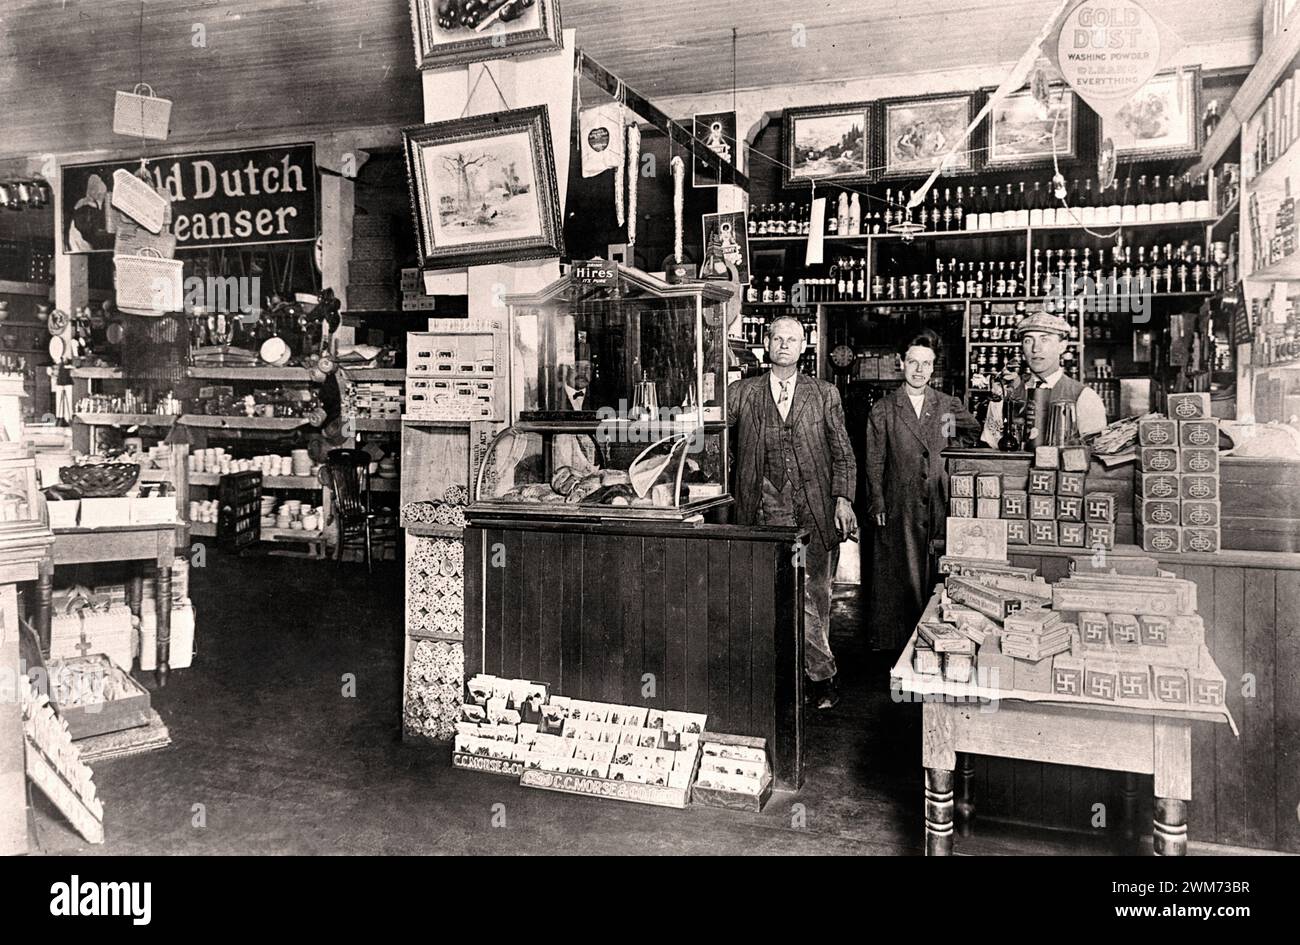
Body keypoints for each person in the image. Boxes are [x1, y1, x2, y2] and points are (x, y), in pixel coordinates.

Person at [728, 316, 857, 710]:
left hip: (814, 512)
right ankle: (820, 676)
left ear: (804, 347)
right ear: (766, 344)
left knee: (815, 595)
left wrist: (843, 500)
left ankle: (810, 675)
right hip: (762, 508)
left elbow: (842, 452)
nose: (784, 344)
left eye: (792, 339)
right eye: (777, 338)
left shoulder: (824, 393)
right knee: (779, 594)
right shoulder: (741, 392)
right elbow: (716, 439)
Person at [866, 335, 981, 652]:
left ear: (933, 368)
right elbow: (874, 459)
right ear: (901, 364)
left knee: (934, 567)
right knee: (899, 571)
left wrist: (945, 460)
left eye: (926, 363)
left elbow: (970, 434)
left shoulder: (946, 405)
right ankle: (897, 643)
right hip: (898, 501)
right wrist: (876, 499)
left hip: (937, 499)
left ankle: (935, 638)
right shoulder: (885, 408)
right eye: (913, 362)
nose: (919, 369)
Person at [980, 311, 1107, 448]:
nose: (1036, 348)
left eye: (1044, 339)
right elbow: (992, 443)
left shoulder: (1084, 396)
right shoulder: (1006, 391)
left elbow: (1093, 453)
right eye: (1028, 340)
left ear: (1062, 346)